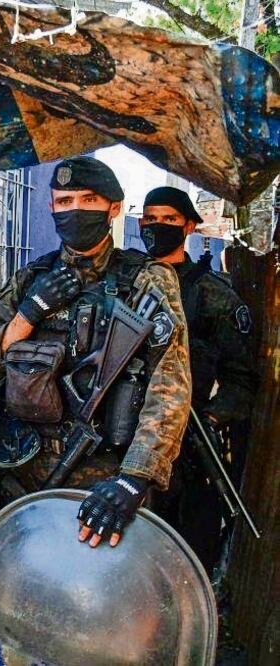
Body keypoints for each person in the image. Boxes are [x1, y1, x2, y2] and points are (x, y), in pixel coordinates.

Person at [0, 156, 191, 548]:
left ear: (114, 208)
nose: (75, 210)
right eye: (64, 201)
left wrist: (134, 477)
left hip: (103, 479)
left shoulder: (145, 278)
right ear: (51, 206)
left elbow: (169, 386)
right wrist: (29, 313)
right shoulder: (30, 279)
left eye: (88, 200)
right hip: (23, 471)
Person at [139, 186, 258, 572]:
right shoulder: (127, 282)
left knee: (183, 559)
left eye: (169, 220)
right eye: (151, 218)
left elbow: (242, 379)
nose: (158, 226)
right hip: (124, 440)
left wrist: (210, 419)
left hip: (188, 448)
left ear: (189, 225)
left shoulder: (212, 294)